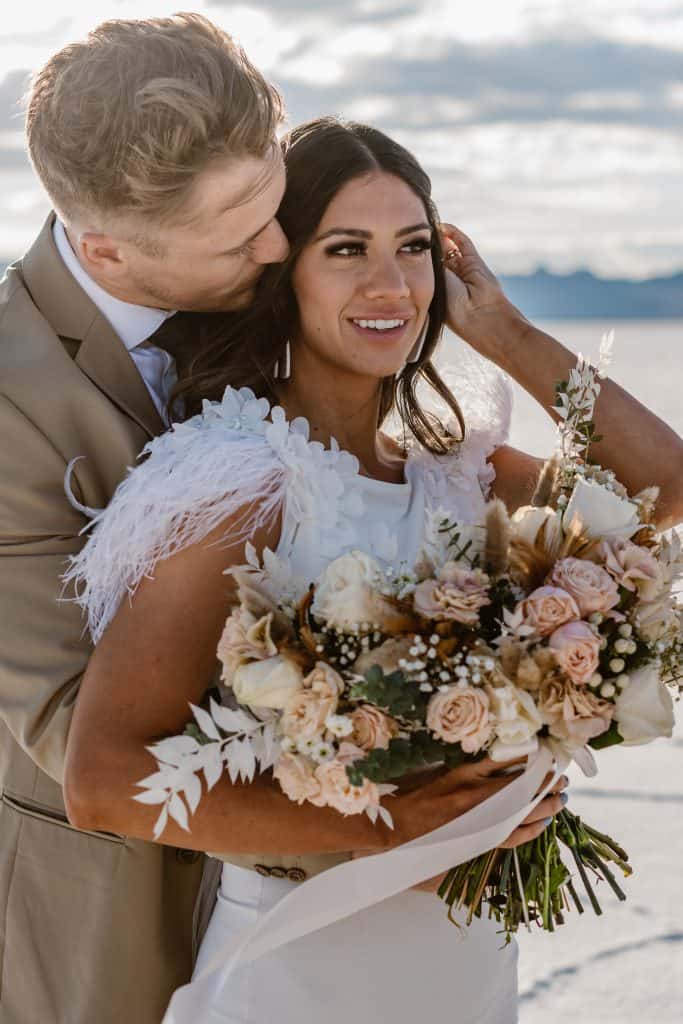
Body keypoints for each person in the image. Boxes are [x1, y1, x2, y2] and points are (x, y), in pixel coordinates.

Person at [62, 117, 683, 1022]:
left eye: (414, 248)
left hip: (463, 961)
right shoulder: (239, 479)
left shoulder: (454, 472)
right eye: (345, 249)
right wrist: (386, 824)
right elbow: (103, 782)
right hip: (303, 958)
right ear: (282, 273)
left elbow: (660, 488)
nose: (389, 283)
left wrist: (503, 330)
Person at [0, 13, 289, 1024]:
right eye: (238, 235)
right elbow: (69, 728)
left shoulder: (279, 276)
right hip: (107, 911)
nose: (280, 246)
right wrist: (386, 800)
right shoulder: (7, 400)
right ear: (106, 251)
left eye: (274, 198)